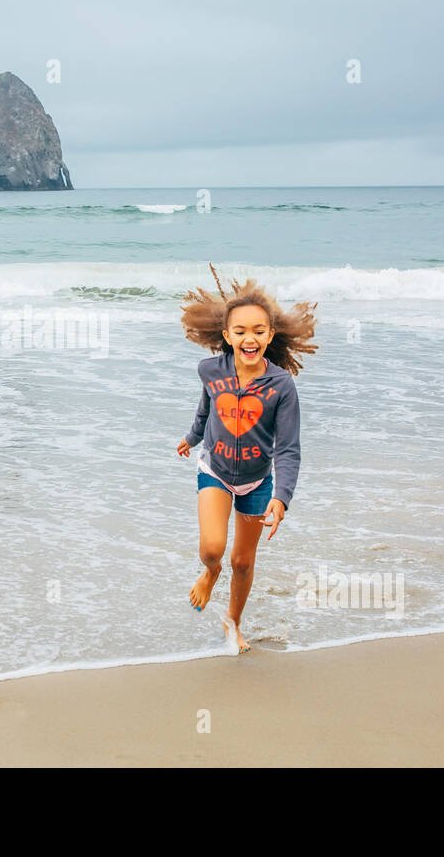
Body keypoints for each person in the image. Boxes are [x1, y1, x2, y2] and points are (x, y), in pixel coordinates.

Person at [176, 264, 318, 653]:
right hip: (215, 471)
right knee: (213, 549)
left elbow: (289, 447)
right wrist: (191, 437)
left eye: (258, 331)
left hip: (258, 481)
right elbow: (206, 412)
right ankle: (210, 572)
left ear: (270, 335)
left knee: (243, 561)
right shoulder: (210, 371)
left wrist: (282, 497)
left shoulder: (282, 386)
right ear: (227, 336)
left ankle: (233, 622)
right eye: (240, 332)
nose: (249, 338)